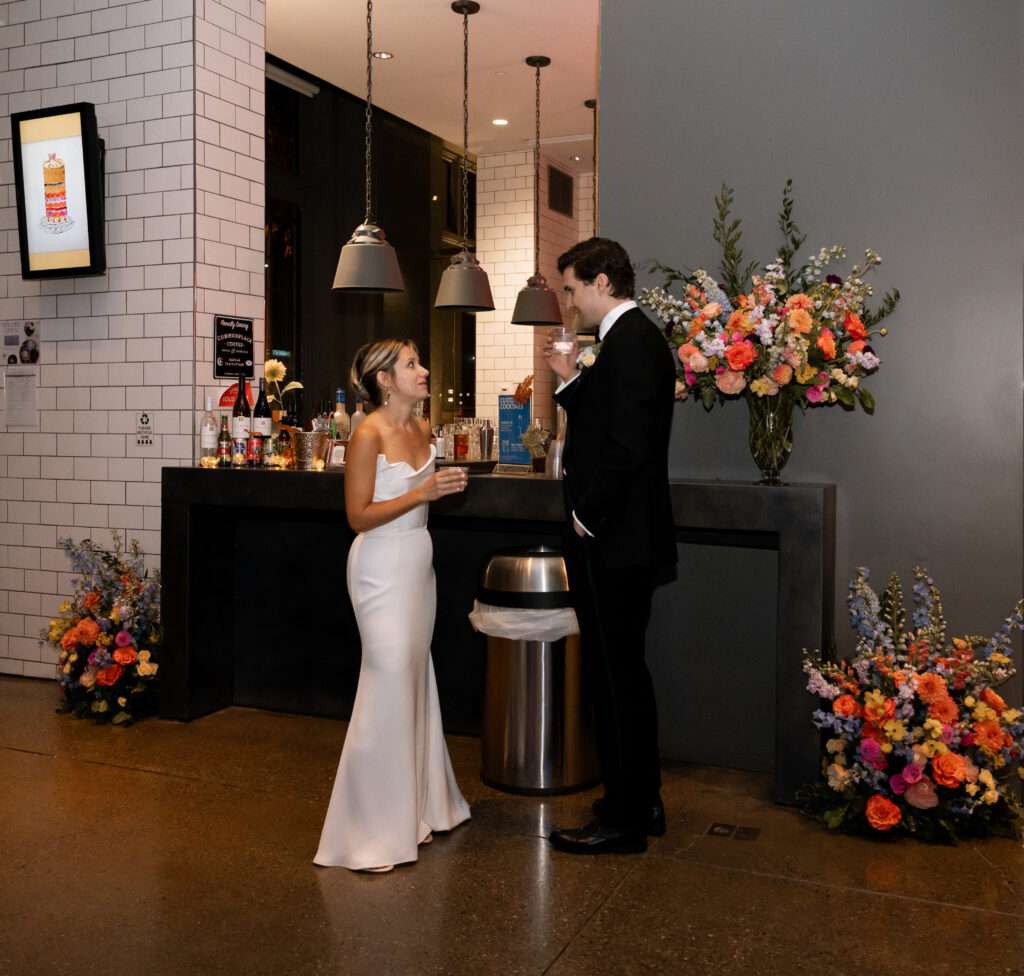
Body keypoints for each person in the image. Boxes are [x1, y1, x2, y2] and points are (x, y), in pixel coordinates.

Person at [314, 339, 471, 873]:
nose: (424, 370)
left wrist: (441, 487)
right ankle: (370, 827)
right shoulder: (368, 432)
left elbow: (421, 496)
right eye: (412, 365)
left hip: (417, 564)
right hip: (378, 569)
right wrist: (422, 494)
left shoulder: (423, 429)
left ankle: (421, 806)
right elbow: (357, 516)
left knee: (413, 677)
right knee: (385, 682)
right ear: (385, 379)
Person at [543, 237, 677, 855]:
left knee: (614, 677)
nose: (568, 302)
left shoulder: (629, 343)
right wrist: (570, 382)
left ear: (602, 282)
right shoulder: (630, 342)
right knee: (627, 674)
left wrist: (586, 518)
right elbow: (607, 422)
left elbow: (625, 449)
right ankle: (640, 799)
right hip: (627, 537)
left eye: (571, 288)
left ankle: (623, 821)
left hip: (614, 538)